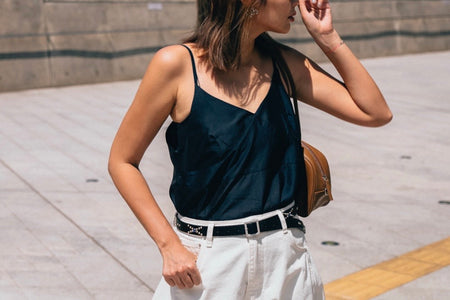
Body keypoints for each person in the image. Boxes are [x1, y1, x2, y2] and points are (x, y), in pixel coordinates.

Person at [108, 0, 392, 299]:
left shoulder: (284, 65)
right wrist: (168, 245)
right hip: (208, 264)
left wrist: (327, 37)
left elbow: (375, 113)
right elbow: (122, 160)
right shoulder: (176, 64)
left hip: (285, 259)